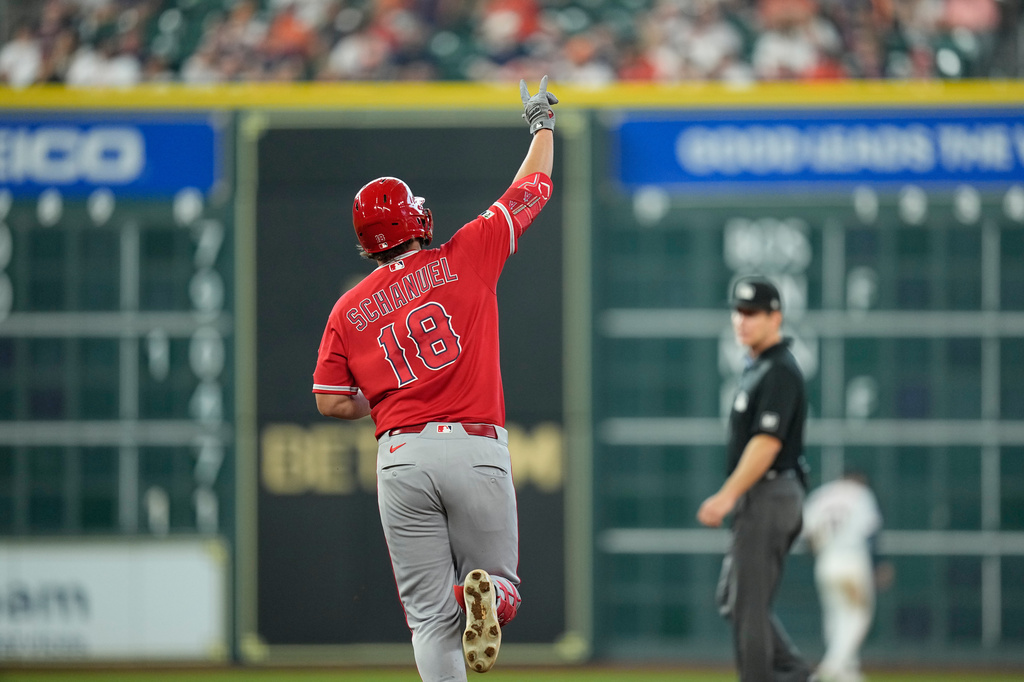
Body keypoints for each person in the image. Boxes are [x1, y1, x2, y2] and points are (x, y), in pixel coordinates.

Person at [311, 77, 558, 680]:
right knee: (502, 587)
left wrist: (392, 402)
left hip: (399, 455)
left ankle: (468, 607)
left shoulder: (348, 307)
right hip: (473, 446)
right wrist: (542, 122)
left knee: (427, 619)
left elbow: (327, 399)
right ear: (414, 218)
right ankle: (489, 596)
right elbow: (533, 189)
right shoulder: (465, 253)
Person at [697, 276, 813, 682]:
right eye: (738, 311)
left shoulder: (779, 370)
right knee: (735, 600)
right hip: (766, 494)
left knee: (748, 606)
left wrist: (727, 496)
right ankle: (800, 674)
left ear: (775, 316)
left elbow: (766, 444)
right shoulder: (759, 368)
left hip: (770, 491)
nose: (741, 320)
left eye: (752, 312)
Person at [802, 472, 883, 682]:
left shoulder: (821, 495)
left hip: (826, 561)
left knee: (835, 616)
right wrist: (879, 564)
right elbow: (871, 532)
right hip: (852, 560)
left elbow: (807, 537)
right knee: (858, 615)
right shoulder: (861, 494)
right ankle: (832, 667)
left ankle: (848, 671)